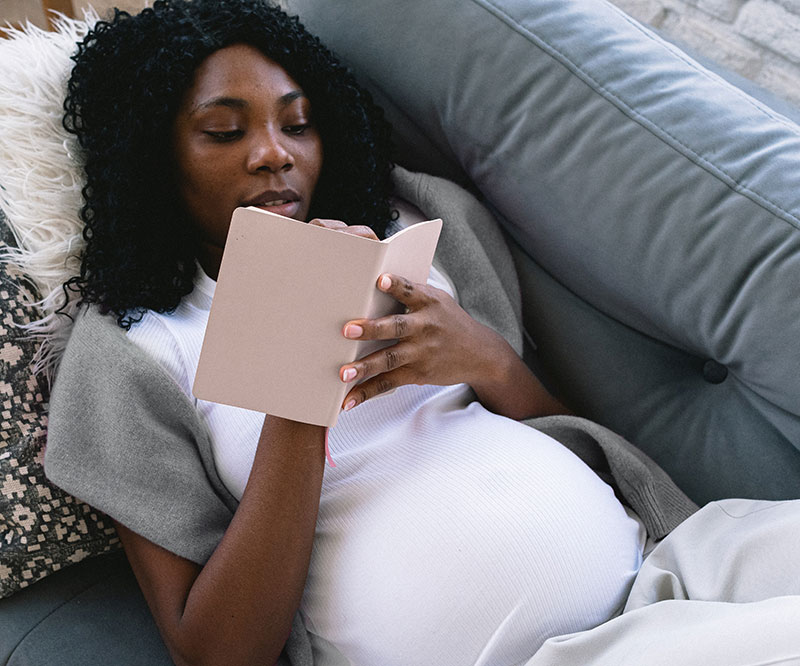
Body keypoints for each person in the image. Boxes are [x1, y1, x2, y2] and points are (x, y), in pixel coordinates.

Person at [43, 2, 800, 666]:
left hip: (675, 564)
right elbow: (216, 650)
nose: (276, 152)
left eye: (299, 124)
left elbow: (560, 440)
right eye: (222, 130)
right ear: (150, 158)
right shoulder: (134, 349)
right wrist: (299, 393)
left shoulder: (415, 224)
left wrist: (490, 360)